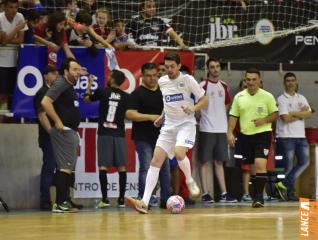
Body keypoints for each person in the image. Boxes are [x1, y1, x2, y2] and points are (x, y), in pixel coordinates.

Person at [126, 52, 208, 213]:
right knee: (155, 161)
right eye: (166, 67)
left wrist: (193, 108)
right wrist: (162, 117)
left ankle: (190, 180)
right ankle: (144, 201)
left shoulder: (187, 80)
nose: (169, 70)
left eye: (172, 66)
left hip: (186, 123)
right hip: (168, 126)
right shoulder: (162, 82)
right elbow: (167, 103)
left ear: (178, 66)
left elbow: (204, 100)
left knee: (179, 153)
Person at [227, 68, 278, 208]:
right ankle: (255, 195)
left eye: (254, 79)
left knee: (260, 164)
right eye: (248, 79)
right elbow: (233, 116)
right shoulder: (239, 97)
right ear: (245, 80)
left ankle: (260, 197)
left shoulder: (267, 96)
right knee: (252, 168)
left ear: (260, 80)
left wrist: (264, 120)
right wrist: (229, 132)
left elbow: (275, 114)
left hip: (263, 134)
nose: (251, 82)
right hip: (245, 136)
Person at [126, 63, 171, 209]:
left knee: (165, 169)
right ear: (143, 76)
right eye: (148, 76)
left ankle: (166, 199)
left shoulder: (164, 92)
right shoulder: (137, 93)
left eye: (154, 76)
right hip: (143, 137)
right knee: (146, 167)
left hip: (162, 137)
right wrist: (150, 117)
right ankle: (145, 199)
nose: (152, 79)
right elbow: (129, 113)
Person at [41, 58, 82, 213]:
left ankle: (63, 201)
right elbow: (45, 102)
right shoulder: (60, 83)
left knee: (67, 168)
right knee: (65, 168)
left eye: (78, 70)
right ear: (65, 71)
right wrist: (57, 121)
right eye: (74, 70)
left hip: (69, 130)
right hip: (63, 130)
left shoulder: (69, 85)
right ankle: (59, 203)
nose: (77, 73)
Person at [84, 70, 129, 208]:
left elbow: (87, 99)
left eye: (110, 76)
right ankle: (121, 199)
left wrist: (89, 84)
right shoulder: (126, 96)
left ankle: (105, 199)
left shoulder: (103, 91)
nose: (108, 77)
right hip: (119, 133)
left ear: (113, 79)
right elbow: (129, 114)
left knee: (103, 165)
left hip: (104, 132)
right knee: (121, 166)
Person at [198, 58, 237, 203]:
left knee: (219, 162)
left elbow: (226, 105)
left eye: (217, 66)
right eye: (212, 67)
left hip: (221, 129)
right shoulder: (202, 85)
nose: (215, 69)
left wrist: (225, 126)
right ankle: (205, 194)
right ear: (208, 69)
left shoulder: (224, 86)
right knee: (204, 161)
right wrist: (202, 117)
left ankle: (224, 193)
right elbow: (197, 105)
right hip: (206, 129)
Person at [275, 72, 312, 201]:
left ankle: (284, 184)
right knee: (288, 167)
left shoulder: (301, 97)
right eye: (288, 80)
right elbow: (285, 118)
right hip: (286, 137)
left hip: (301, 136)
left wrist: (294, 113)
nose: (291, 83)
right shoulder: (281, 99)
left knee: (305, 162)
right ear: (284, 83)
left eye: (293, 80)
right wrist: (301, 113)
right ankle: (289, 194)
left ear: (296, 82)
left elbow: (309, 113)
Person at [33, 65, 59, 211]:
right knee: (49, 168)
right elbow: (41, 115)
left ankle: (63, 199)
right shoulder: (42, 92)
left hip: (58, 137)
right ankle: (45, 201)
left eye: (57, 74)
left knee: (59, 170)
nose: (56, 76)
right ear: (46, 76)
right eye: (53, 74)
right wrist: (51, 131)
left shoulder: (54, 92)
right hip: (48, 137)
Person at [0, 0, 27, 110]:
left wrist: (7, 39)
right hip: (1, 62)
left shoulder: (20, 16)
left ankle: (8, 118)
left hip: (15, 61)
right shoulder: (0, 18)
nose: (14, 10)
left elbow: (21, 40)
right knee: (2, 93)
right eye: (11, 7)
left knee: (11, 93)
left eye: (16, 7)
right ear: (4, 7)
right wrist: (16, 28)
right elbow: (3, 40)